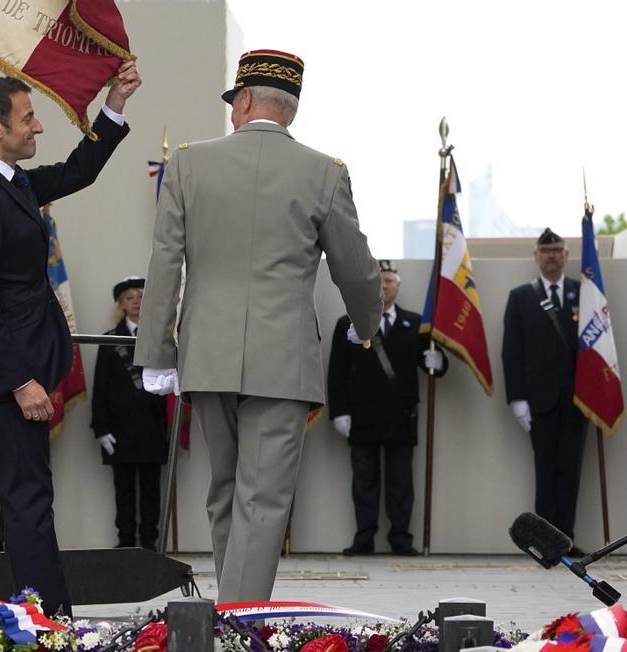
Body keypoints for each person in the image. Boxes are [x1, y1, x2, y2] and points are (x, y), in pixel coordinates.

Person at [134, 49, 382, 603]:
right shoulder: (324, 172)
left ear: (244, 100)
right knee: (263, 499)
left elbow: (165, 263)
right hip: (282, 357)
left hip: (207, 353)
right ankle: (240, 624)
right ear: (289, 110)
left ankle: (230, 614)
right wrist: (367, 326)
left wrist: (155, 351)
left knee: (224, 491)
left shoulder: (188, 164)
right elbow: (356, 267)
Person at [0, 63, 141, 615]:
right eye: (27, 117)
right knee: (28, 501)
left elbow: (77, 172)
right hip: (6, 376)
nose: (37, 127)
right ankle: (52, 626)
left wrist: (114, 104)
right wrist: (21, 381)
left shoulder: (10, 183)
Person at [328, 261, 447, 556]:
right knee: (364, 482)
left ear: (398, 286)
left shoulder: (416, 323)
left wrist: (438, 361)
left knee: (400, 482)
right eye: (379, 281)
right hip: (363, 416)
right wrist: (339, 411)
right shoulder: (349, 323)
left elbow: (431, 362)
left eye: (390, 281)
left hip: (400, 416)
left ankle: (401, 539)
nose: (384, 286)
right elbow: (336, 372)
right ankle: (364, 538)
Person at [502, 228, 587, 555]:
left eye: (557, 250)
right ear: (536, 256)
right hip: (539, 399)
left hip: (578, 399)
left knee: (570, 471)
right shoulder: (521, 296)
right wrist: (517, 398)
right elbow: (512, 351)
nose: (552, 255)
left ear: (566, 256)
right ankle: (545, 543)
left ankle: (565, 540)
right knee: (546, 470)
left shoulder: (584, 294)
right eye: (546, 250)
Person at [91, 276, 168, 550]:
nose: (136, 301)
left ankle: (150, 543)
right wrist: (100, 428)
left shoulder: (161, 338)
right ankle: (125, 545)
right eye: (129, 297)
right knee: (123, 491)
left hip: (151, 428)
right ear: (121, 305)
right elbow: (100, 387)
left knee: (151, 490)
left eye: (141, 295)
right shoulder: (110, 340)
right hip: (119, 429)